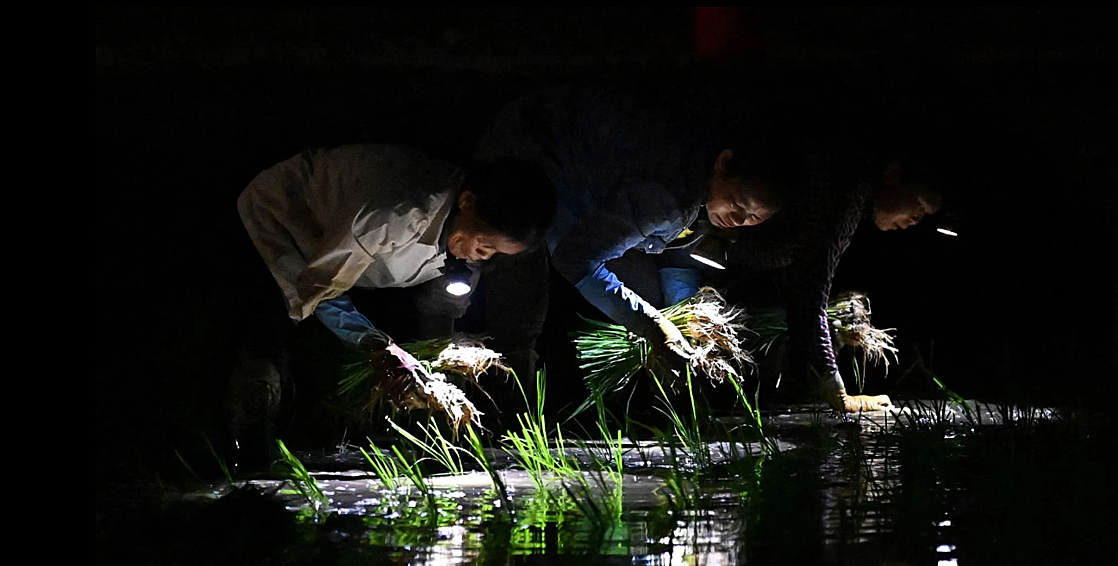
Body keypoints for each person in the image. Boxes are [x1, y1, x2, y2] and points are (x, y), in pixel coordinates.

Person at [231, 144, 555, 456]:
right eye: (485, 244)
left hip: (353, 265)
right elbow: (317, 289)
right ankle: (243, 458)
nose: (484, 256)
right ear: (467, 202)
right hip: (278, 227)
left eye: (496, 252)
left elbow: (437, 304)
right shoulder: (396, 213)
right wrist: (379, 349)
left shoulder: (461, 235)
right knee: (269, 349)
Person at [474, 86, 790, 394]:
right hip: (528, 153)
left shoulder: (705, 190)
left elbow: (677, 257)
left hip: (585, 177)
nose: (738, 220)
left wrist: (685, 314)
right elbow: (575, 258)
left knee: (646, 293)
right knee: (521, 297)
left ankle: (659, 395)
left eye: (753, 218)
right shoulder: (666, 195)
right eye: (737, 204)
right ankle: (503, 417)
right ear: (723, 164)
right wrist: (656, 328)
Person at [721, 149, 944, 412]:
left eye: (924, 215)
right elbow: (809, 292)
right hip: (708, 248)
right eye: (918, 204)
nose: (916, 219)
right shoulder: (845, 192)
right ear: (893, 175)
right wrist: (838, 392)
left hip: (730, 260)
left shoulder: (853, 199)